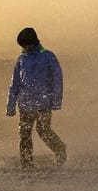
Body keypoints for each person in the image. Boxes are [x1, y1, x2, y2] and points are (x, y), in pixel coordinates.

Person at [5, 26, 67, 168]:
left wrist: (56, 101)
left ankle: (60, 149)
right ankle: (27, 164)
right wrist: (10, 105)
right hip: (25, 104)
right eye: (23, 45)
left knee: (43, 130)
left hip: (43, 103)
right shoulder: (21, 59)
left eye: (27, 44)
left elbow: (57, 79)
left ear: (33, 42)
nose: (25, 48)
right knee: (25, 134)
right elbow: (14, 84)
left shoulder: (48, 56)